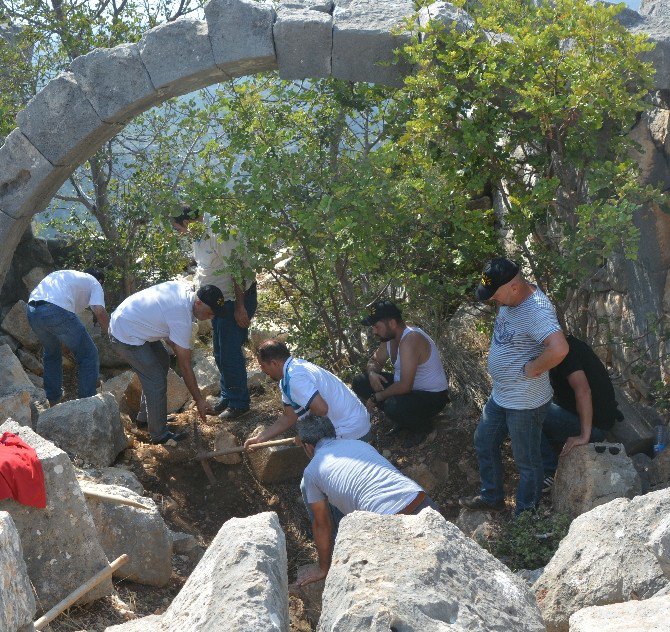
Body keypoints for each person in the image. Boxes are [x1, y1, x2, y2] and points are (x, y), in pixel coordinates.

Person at [459, 257, 568, 515]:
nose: (492, 300)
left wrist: (533, 368)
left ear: (514, 287)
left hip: (525, 401)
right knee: (484, 441)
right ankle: (492, 496)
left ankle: (525, 517)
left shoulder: (536, 310)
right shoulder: (512, 297)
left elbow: (560, 348)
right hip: (502, 394)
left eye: (494, 295)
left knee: (527, 462)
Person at [295, 416, 438, 587]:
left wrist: (323, 568)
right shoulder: (360, 444)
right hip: (422, 503)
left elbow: (322, 524)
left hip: (388, 524)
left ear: (308, 447)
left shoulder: (312, 470)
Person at [108, 281, 222, 444]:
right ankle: (159, 435)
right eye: (211, 313)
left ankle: (147, 417)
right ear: (198, 303)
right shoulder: (181, 315)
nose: (212, 317)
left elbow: (169, 335)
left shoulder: (186, 291)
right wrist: (199, 400)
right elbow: (185, 366)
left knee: (162, 360)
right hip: (124, 334)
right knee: (155, 380)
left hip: (131, 323)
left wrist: (179, 348)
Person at [171, 204, 257, 420]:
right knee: (219, 351)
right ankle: (228, 396)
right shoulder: (197, 233)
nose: (178, 233)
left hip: (233, 300)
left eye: (177, 228)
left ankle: (239, 404)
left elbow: (237, 269)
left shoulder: (221, 231)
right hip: (215, 301)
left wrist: (240, 307)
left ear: (187, 222)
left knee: (230, 353)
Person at [352, 300, 449, 445]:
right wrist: (372, 374)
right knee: (360, 381)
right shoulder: (389, 338)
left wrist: (376, 397)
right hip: (408, 390)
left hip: (432, 396)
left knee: (392, 405)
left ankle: (424, 428)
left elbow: (405, 386)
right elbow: (375, 361)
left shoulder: (411, 339)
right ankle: (404, 418)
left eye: (376, 326)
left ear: (392, 323)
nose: (374, 331)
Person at [244, 339, 371, 449]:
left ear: (274, 363)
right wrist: (259, 439)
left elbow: (321, 409)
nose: (263, 371)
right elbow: (289, 417)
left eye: (263, 366)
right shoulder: (288, 377)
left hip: (351, 430)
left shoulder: (295, 378)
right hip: (352, 425)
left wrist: (306, 433)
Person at [541, 334, 623, 490]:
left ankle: (549, 472)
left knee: (528, 410)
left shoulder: (564, 353)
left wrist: (584, 436)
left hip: (596, 428)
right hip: (596, 421)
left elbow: (583, 391)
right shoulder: (568, 344)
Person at [26, 268, 110, 406]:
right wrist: (113, 336)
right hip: (55, 309)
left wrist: (66, 346)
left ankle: (53, 400)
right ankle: (87, 404)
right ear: (100, 281)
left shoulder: (67, 276)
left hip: (32, 311)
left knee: (52, 353)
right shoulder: (94, 283)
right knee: (89, 354)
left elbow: (61, 327)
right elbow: (99, 312)